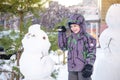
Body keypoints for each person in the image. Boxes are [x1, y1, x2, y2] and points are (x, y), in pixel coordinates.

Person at [58, 14, 96, 80]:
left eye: (75, 26)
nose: (73, 28)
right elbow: (63, 46)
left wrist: (89, 65)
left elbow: (91, 52)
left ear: (81, 25)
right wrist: (61, 33)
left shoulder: (88, 38)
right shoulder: (70, 38)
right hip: (72, 69)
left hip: (84, 69)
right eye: (71, 26)